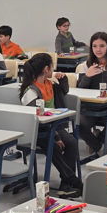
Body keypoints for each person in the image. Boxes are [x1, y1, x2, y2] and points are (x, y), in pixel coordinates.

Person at [18, 53, 83, 198]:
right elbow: (37, 120)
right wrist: (56, 137)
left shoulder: (50, 84)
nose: (54, 68)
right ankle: (74, 181)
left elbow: (63, 91)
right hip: (37, 130)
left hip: (54, 127)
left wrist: (63, 80)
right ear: (46, 69)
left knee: (71, 142)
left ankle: (65, 185)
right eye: (52, 66)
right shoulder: (31, 91)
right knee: (53, 145)